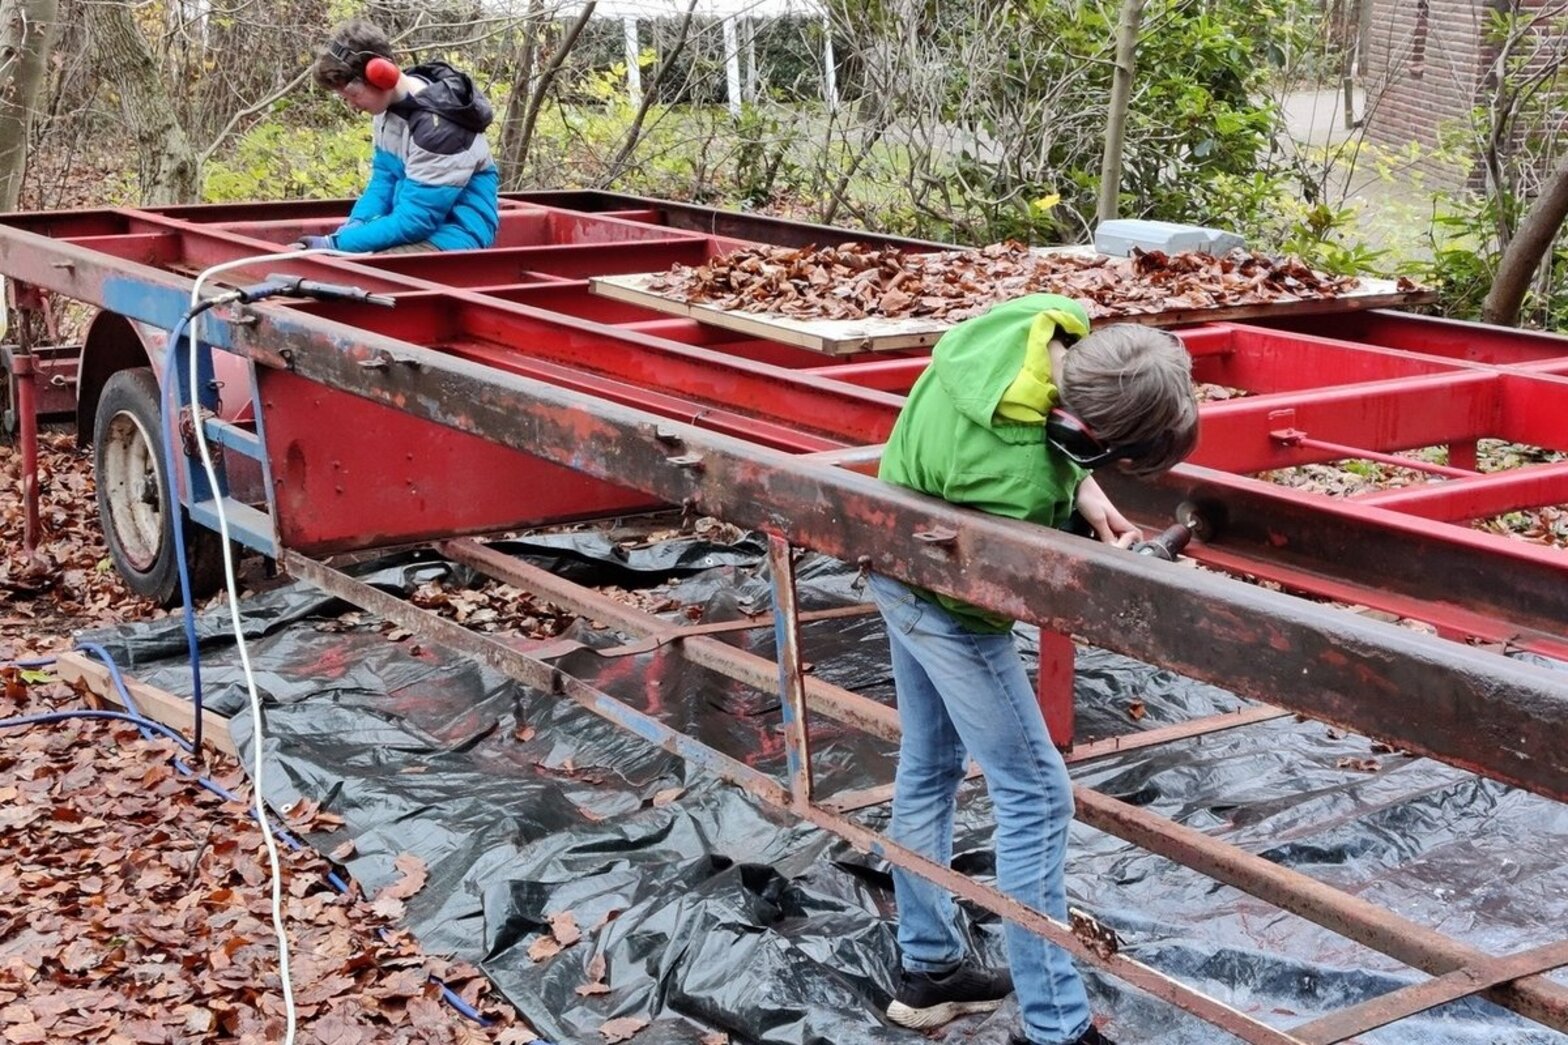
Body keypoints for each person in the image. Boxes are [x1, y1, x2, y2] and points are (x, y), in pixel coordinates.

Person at [870, 294, 1199, 1045]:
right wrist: (1104, 563)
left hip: (895, 560)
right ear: (1088, 432)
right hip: (954, 604)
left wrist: (1087, 492)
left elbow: (1047, 446)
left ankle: (931, 970)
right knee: (1037, 796)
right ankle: (1054, 1023)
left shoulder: (1039, 323)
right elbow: (1021, 580)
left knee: (929, 765)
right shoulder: (1014, 479)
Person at [298, 20, 499, 254]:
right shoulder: (386, 110)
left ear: (382, 77)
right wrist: (352, 229)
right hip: (410, 225)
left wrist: (336, 245)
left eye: (352, 95)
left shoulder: (440, 130)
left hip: (454, 235)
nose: (351, 106)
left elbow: (416, 221)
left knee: (361, 275)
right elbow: (384, 179)